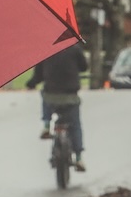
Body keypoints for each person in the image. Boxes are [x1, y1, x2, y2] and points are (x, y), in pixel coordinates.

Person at [27, 40, 89, 170]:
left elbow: (38, 75)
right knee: (75, 125)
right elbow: (84, 67)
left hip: (51, 97)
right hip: (70, 96)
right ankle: (78, 157)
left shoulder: (46, 49)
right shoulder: (75, 48)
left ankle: (46, 124)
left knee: (45, 93)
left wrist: (31, 83)